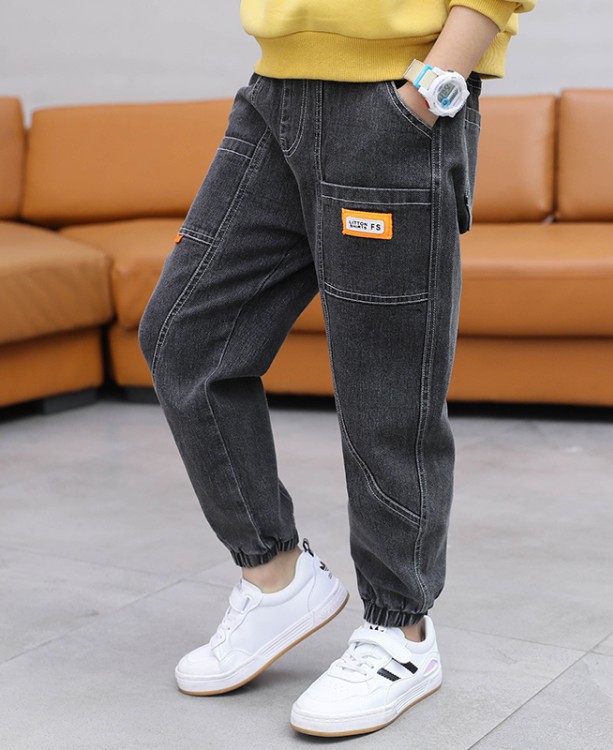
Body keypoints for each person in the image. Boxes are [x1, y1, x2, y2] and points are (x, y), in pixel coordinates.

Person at [138, 0, 536, 737]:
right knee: (185, 336)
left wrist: (429, 90)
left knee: (385, 382)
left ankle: (401, 632)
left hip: (396, 93)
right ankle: (275, 579)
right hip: (275, 91)